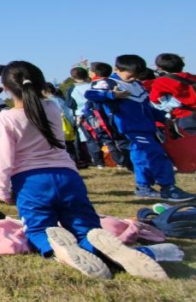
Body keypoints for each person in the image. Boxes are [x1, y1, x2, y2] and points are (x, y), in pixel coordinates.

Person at [0, 61, 167, 280]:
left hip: (30, 182)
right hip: (68, 176)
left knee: (39, 230)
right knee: (86, 227)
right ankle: (101, 248)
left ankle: (59, 250)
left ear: (5, 88)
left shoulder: (4, 119)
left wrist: (2, 190)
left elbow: (2, 160)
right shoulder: (52, 108)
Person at [85, 55, 195, 202]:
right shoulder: (108, 83)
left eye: (137, 75)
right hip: (129, 129)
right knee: (156, 156)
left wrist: (164, 118)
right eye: (130, 74)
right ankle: (168, 187)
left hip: (147, 128)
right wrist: (112, 94)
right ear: (118, 69)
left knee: (142, 159)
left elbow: (149, 107)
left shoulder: (137, 85)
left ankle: (144, 187)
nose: (133, 78)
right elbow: (90, 94)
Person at [84, 62, 129, 169]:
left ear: (94, 73)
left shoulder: (100, 83)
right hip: (116, 114)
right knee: (120, 138)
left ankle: (121, 162)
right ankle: (124, 161)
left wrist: (87, 111)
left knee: (111, 140)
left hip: (104, 116)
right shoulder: (114, 82)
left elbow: (94, 97)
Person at [150, 52, 196, 135]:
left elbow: (155, 99)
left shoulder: (161, 82)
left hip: (184, 115)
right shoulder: (192, 77)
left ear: (160, 68)